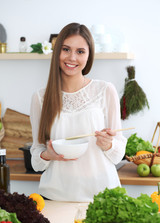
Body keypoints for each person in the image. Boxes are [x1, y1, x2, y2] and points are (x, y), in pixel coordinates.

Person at [30, 22, 127, 202]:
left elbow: (118, 152)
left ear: (89, 56)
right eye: (66, 49)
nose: (72, 57)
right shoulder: (40, 98)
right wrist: (47, 155)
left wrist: (108, 144)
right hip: (56, 196)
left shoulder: (105, 90)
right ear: (57, 51)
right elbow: (37, 157)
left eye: (80, 51)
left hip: (102, 195)